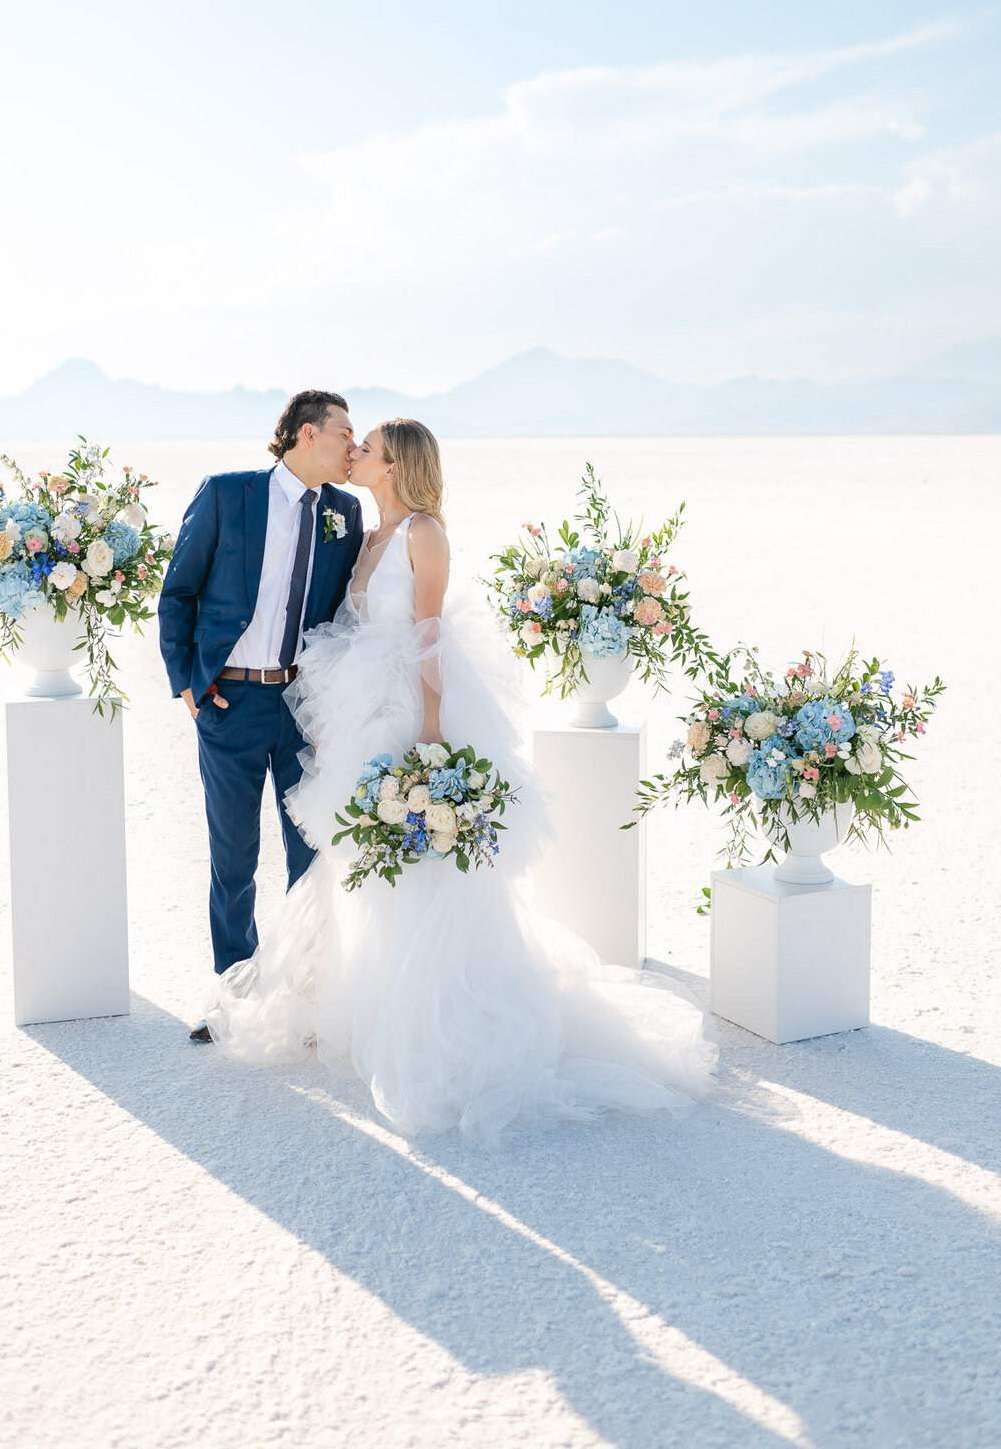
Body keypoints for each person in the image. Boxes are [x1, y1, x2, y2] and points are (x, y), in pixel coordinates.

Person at [203, 417, 717, 1144]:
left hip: (409, 712)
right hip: (359, 712)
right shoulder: (365, 531)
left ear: (394, 465)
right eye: (352, 443)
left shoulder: (422, 533)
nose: (355, 453)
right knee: (357, 865)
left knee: (419, 867)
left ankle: (434, 1016)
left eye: (368, 449)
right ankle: (365, 1002)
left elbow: (429, 632)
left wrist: (433, 727)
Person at [157, 391, 363, 1035]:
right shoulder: (227, 494)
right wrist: (187, 686)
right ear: (307, 434)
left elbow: (344, 615)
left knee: (310, 854)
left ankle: (302, 996)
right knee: (233, 855)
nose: (353, 447)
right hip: (230, 701)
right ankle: (234, 997)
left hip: (304, 704)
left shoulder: (346, 512)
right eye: (344, 432)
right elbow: (179, 592)